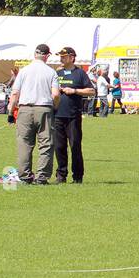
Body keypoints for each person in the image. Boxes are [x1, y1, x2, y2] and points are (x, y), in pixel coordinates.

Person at [7, 43, 60, 184]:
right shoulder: (51, 72)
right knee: (46, 144)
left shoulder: (24, 71)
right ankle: (42, 177)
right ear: (47, 55)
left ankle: (24, 176)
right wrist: (55, 108)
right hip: (44, 109)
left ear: (34, 54)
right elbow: (55, 95)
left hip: (25, 109)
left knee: (24, 143)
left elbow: (14, 94)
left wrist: (11, 113)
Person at [52, 46, 94, 184]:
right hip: (58, 115)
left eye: (64, 57)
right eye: (60, 56)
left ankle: (78, 176)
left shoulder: (80, 73)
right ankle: (61, 175)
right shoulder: (57, 73)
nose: (61, 59)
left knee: (75, 146)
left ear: (72, 57)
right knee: (59, 147)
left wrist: (74, 91)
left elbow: (91, 91)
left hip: (73, 116)